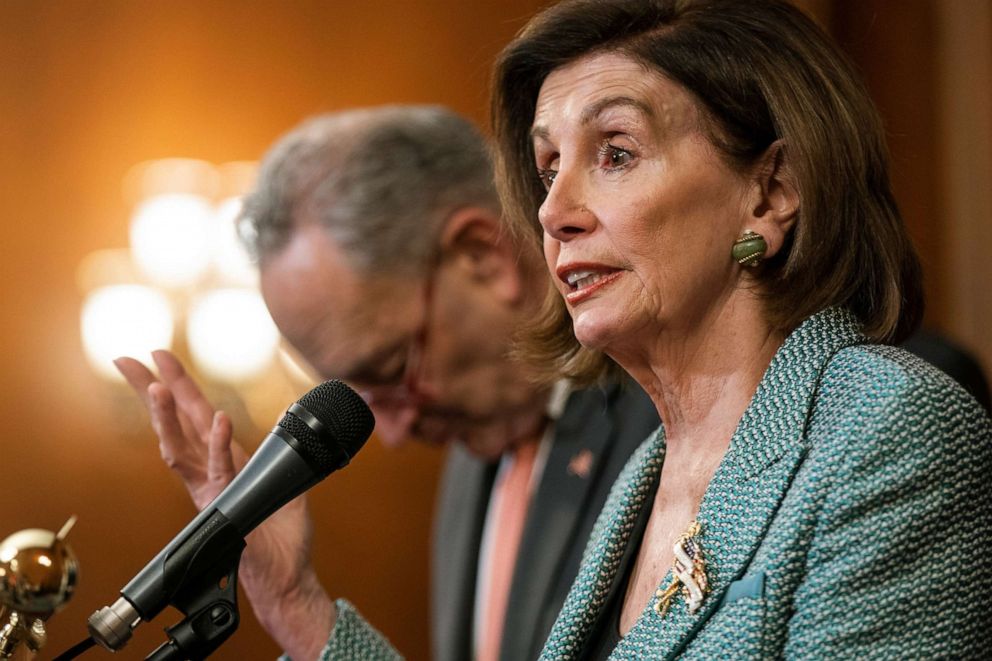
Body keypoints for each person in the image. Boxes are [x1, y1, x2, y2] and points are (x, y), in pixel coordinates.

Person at [486, 0, 992, 658]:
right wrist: (304, 611)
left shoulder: (887, 427)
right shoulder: (642, 477)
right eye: (549, 168)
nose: (554, 211)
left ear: (770, 191)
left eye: (615, 153)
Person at [114, 105, 659, 661]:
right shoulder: (474, 456)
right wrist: (293, 604)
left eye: (390, 369)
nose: (393, 432)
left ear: (482, 256)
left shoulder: (675, 428)